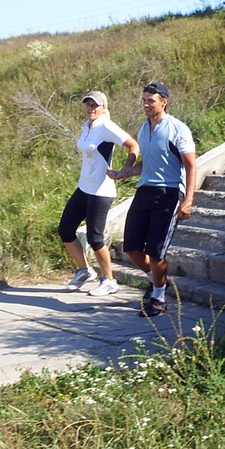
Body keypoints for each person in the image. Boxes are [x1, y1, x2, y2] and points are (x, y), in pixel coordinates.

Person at [109, 82, 196, 316]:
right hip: (144, 191)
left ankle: (158, 298)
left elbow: (190, 165)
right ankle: (159, 282)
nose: (146, 104)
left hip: (168, 193)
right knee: (132, 248)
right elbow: (147, 163)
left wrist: (188, 200)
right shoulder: (143, 128)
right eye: (144, 100)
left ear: (164, 102)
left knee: (157, 253)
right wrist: (125, 172)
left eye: (151, 100)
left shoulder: (177, 129)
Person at [58, 90, 139, 295]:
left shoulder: (106, 126)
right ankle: (84, 271)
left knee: (95, 238)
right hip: (84, 187)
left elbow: (133, 145)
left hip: (101, 190)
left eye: (95, 105)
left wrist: (125, 169)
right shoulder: (87, 126)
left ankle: (109, 281)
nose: (91, 108)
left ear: (103, 108)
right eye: (88, 104)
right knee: (65, 230)